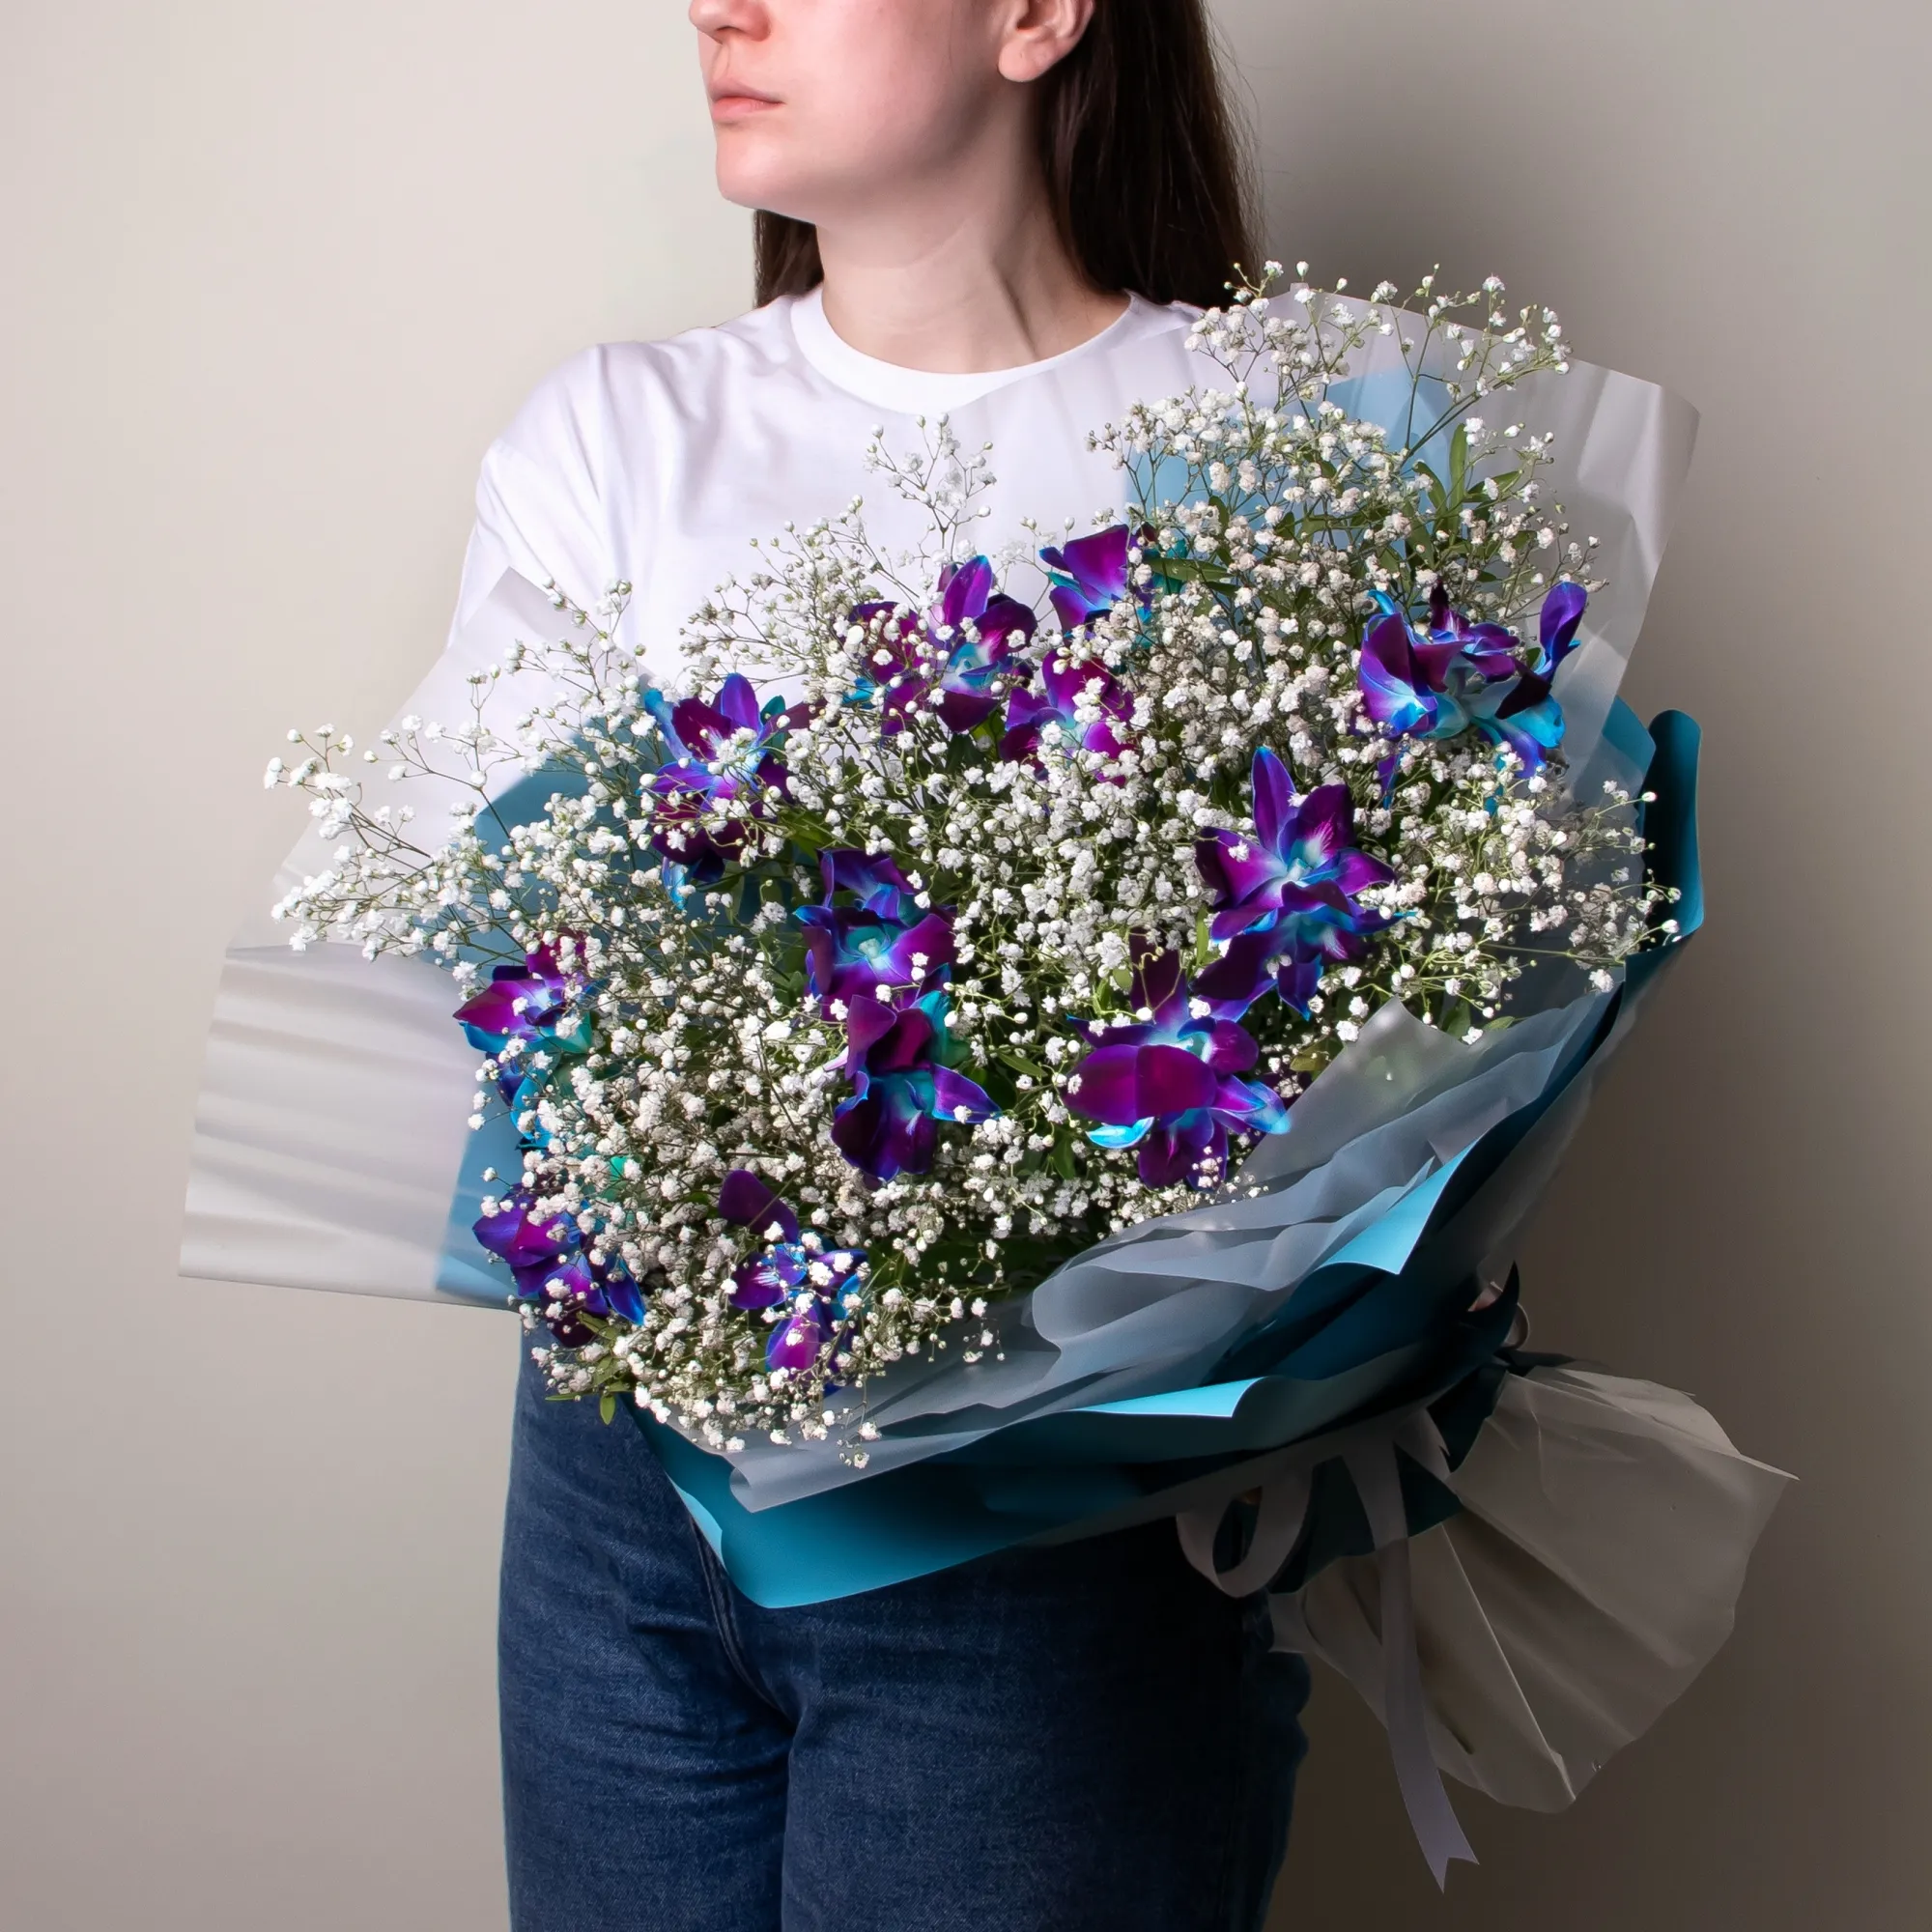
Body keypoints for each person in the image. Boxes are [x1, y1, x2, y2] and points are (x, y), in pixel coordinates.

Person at [490, 5, 1313, 1927]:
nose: (722, 6)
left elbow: (1357, 1016)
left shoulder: (1270, 434)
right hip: (626, 1488)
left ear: (1035, 14)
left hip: (1037, 1513)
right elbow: (513, 965)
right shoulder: (612, 439)